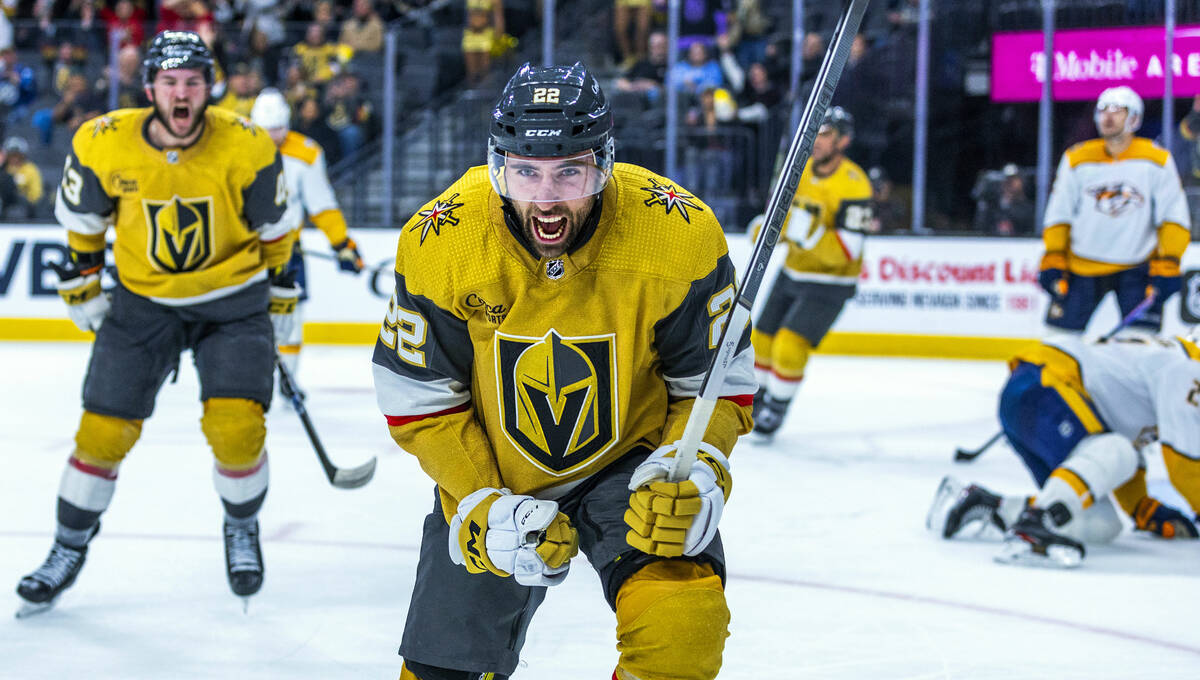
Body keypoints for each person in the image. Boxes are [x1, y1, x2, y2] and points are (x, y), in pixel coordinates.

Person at [371, 62, 756, 680]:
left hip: (632, 460)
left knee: (683, 627)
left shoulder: (676, 232)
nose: (546, 197)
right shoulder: (444, 237)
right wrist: (478, 501)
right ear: (499, 166)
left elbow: (714, 384)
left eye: (568, 171)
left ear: (602, 164)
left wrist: (699, 463)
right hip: (497, 465)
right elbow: (419, 397)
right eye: (526, 172)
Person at [14, 31, 297, 615]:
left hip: (233, 300)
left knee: (237, 430)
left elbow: (276, 235)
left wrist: (280, 301)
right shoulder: (102, 141)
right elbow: (85, 220)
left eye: (193, 81)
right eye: (169, 82)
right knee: (101, 433)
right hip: (142, 302)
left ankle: (240, 526)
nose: (182, 93)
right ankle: (67, 548)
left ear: (209, 87)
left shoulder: (246, 146)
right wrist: (84, 278)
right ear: (150, 89)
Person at [926, 334, 1200, 568]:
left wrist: (1141, 507)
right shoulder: (1188, 370)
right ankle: (1034, 525)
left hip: (1032, 392)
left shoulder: (1170, 362)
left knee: (1101, 524)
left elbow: (1128, 440)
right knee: (1116, 449)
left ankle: (990, 504)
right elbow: (1185, 465)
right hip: (1043, 383)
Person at [748, 106, 873, 440]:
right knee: (760, 341)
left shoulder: (854, 185)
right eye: (815, 132)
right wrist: (769, 227)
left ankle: (777, 406)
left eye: (827, 134)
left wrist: (811, 235)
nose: (817, 140)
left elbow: (851, 250)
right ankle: (758, 398)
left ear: (843, 141)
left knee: (789, 346)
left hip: (831, 283)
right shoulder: (799, 171)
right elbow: (784, 217)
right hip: (793, 271)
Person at [1040, 86, 1190, 335]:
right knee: (1058, 344)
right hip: (1081, 267)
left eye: (1117, 110)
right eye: (1102, 110)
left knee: (1141, 348)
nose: (1108, 117)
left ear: (1134, 118)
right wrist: (1054, 257)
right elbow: (1059, 214)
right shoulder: (1077, 158)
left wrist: (1169, 263)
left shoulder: (1156, 159)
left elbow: (1173, 216)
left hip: (1137, 268)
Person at [251, 88, 363, 396]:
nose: (273, 136)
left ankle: (287, 378)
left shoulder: (306, 152)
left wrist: (342, 244)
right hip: (245, 249)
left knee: (291, 317)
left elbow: (322, 204)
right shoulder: (238, 148)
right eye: (266, 130)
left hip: (288, 251)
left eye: (278, 129)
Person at [973, 163, 1034, 236]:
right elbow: (980, 227)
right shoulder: (992, 207)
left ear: (1021, 181)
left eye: (1013, 179)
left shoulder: (1029, 209)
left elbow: (1030, 230)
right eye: (1006, 179)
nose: (1009, 183)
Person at [0, 135, 44, 218]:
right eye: (11, 155)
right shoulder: (3, 169)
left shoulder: (30, 170)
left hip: (24, 207)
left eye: (17, 155)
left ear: (23, 155)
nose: (14, 158)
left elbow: (36, 195)